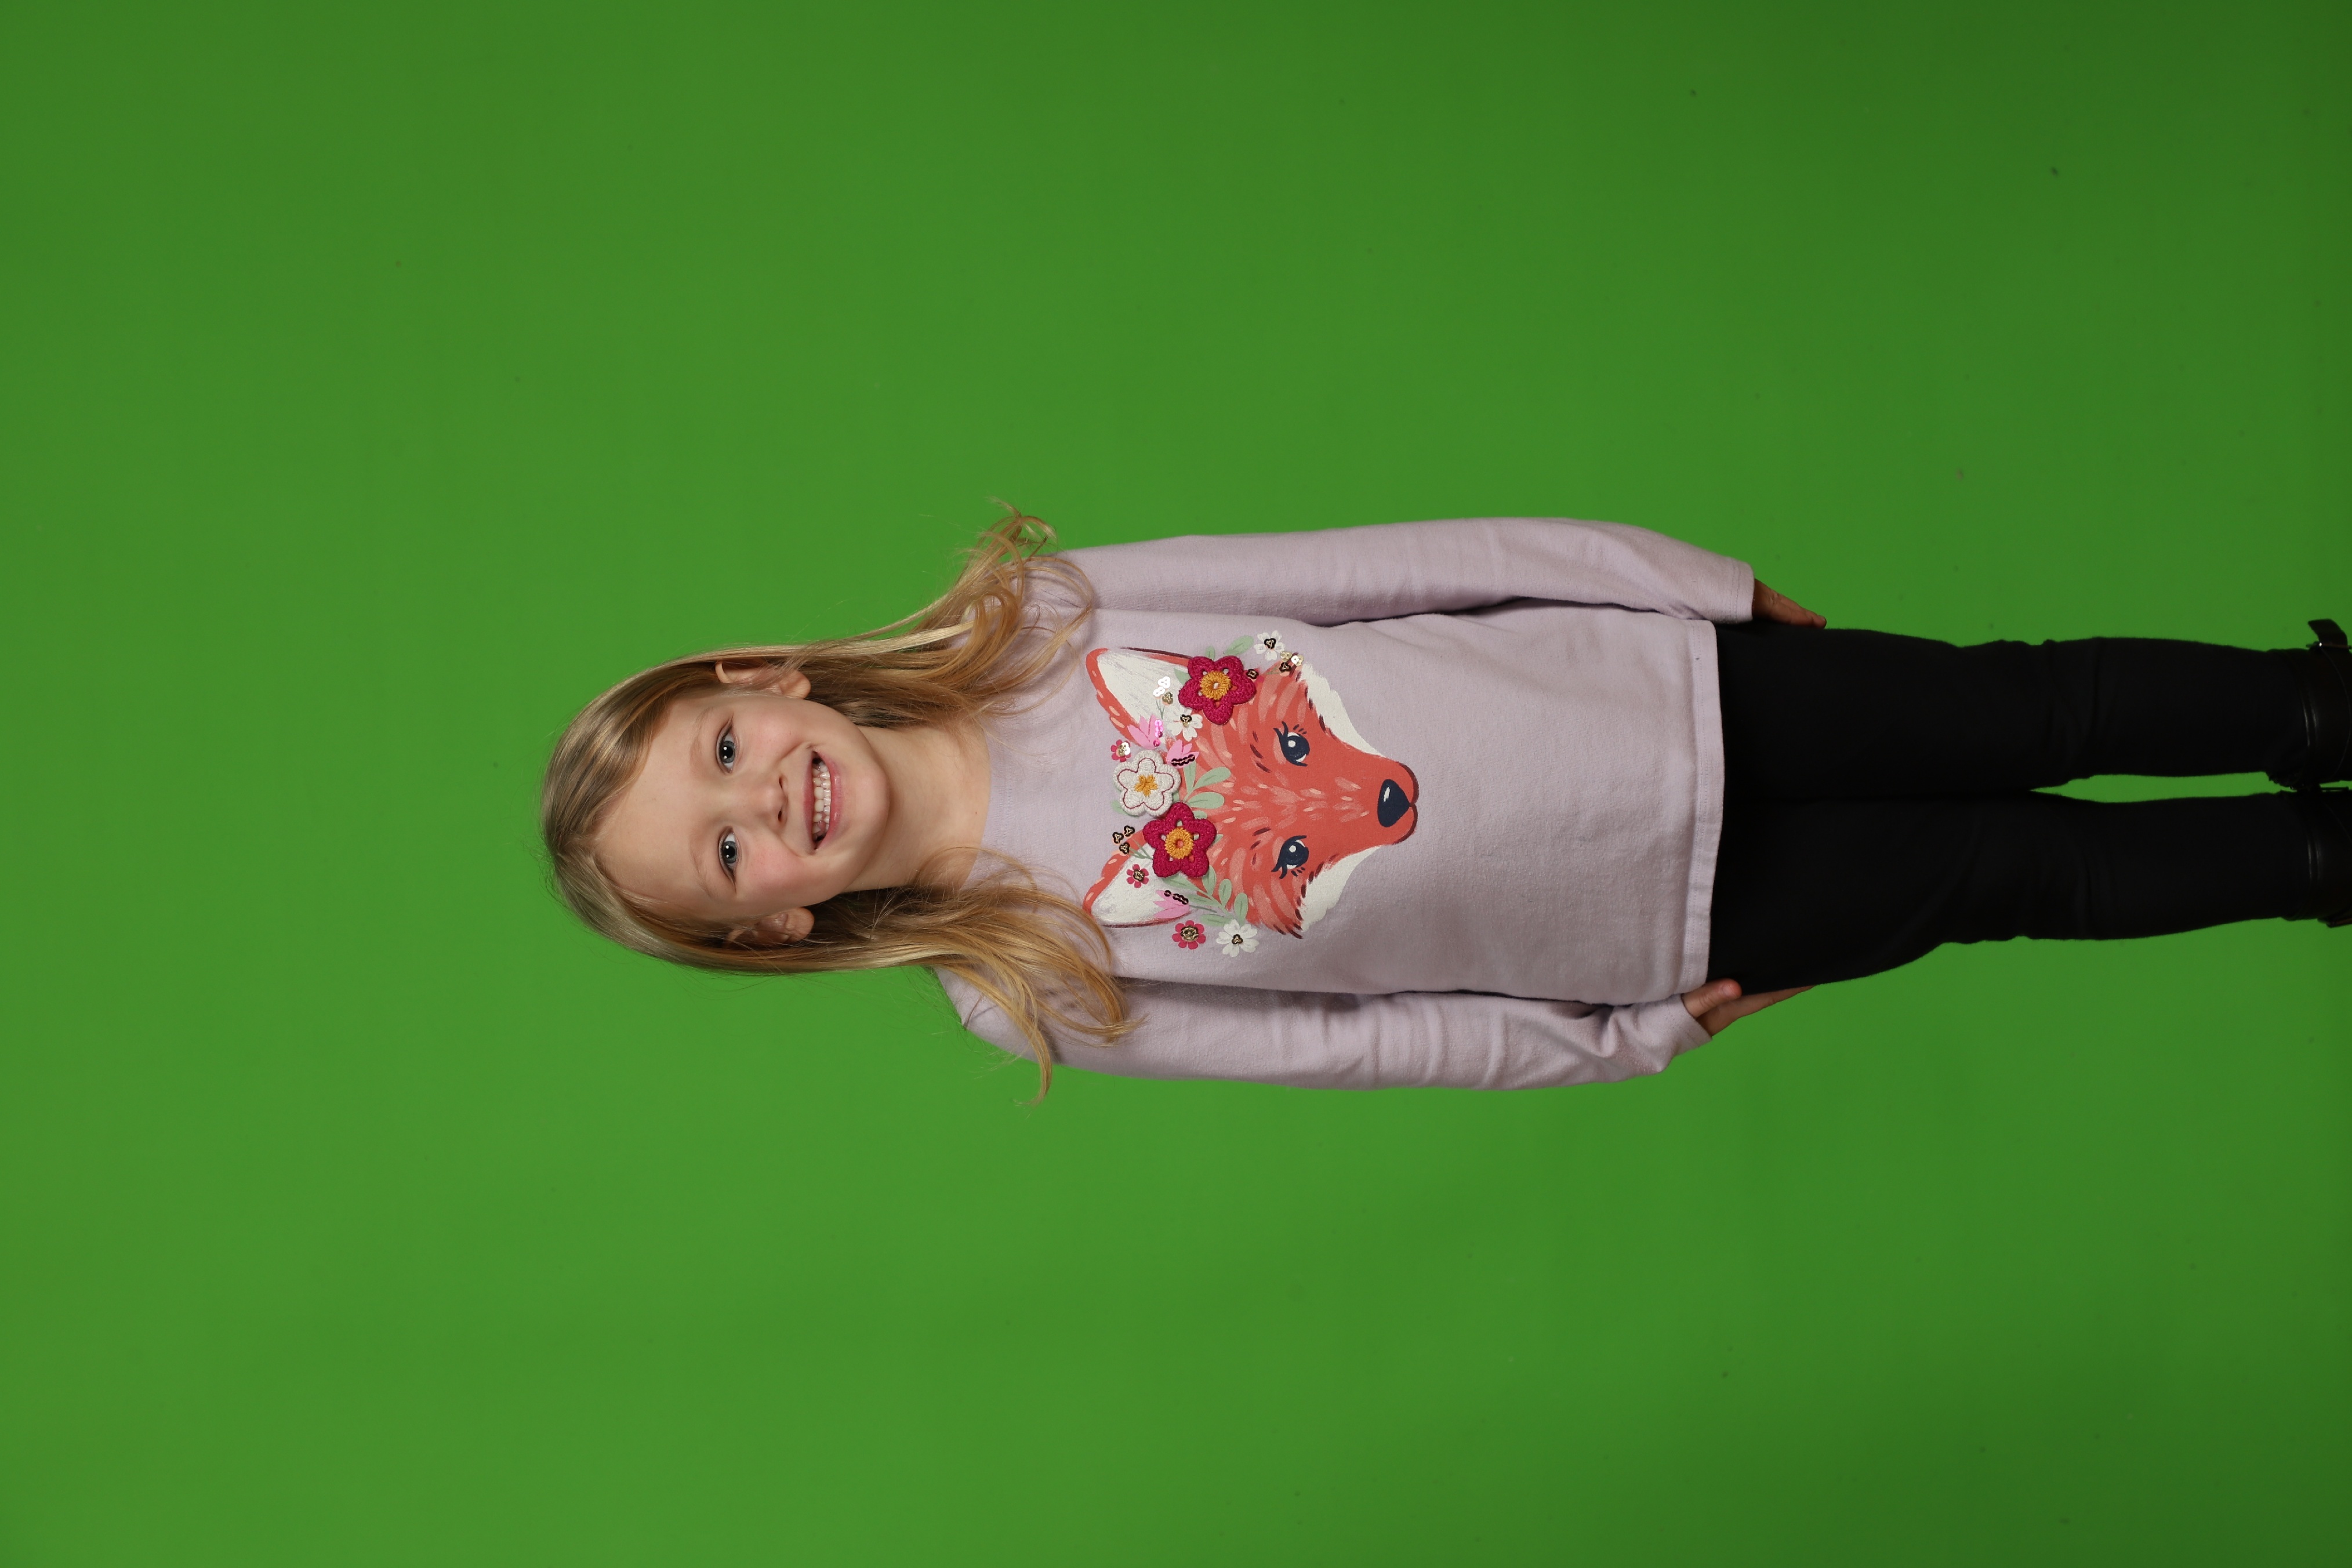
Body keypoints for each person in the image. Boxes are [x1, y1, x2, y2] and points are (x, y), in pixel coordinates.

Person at [542, 513, 2350, 1095]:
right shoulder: (1016, 985)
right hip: (1655, 926)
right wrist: (1619, 1042)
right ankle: (2315, 855)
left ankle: (2314, 702)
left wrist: (1672, 578)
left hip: (1667, 690)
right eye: (726, 853)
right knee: (2025, 871)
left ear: (761, 681)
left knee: (2027, 703)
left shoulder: (1041, 618)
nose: (762, 802)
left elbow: (1376, 567)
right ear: (772, 923)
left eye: (722, 751)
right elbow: (1354, 1047)